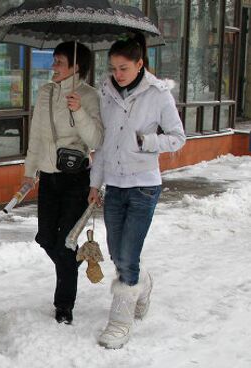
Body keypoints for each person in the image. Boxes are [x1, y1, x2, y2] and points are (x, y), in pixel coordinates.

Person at [88, 33, 186, 349]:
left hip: (144, 185)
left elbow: (178, 137)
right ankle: (142, 284)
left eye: (123, 68)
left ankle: (119, 322)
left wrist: (146, 141)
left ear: (139, 64)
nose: (117, 74)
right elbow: (101, 145)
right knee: (117, 252)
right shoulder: (106, 94)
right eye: (113, 68)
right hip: (114, 185)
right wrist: (94, 183)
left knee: (127, 255)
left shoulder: (158, 95)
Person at [23, 41, 104, 325]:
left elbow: (96, 140)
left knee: (65, 242)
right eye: (54, 61)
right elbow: (35, 136)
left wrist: (79, 111)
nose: (53, 67)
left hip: (75, 180)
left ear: (76, 66)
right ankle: (73, 261)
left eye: (59, 62)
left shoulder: (90, 96)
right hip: (47, 177)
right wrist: (28, 172)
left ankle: (64, 305)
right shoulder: (45, 92)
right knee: (46, 238)